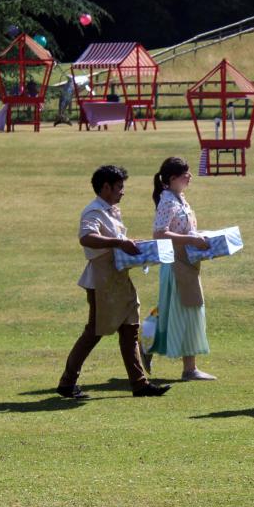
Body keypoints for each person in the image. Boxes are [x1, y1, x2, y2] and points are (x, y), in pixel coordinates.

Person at [58, 165, 171, 399]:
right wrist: (119, 244)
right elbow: (86, 238)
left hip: (119, 279)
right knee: (94, 333)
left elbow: (115, 239)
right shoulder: (93, 211)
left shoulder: (110, 210)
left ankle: (140, 384)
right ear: (106, 187)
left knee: (130, 330)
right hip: (102, 282)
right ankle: (67, 382)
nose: (123, 191)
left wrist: (130, 243)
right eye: (119, 187)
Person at [147, 157, 215, 381]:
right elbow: (159, 233)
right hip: (176, 263)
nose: (190, 177)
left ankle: (146, 343)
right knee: (185, 311)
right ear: (172, 179)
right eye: (185, 174)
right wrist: (191, 240)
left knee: (179, 310)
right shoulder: (168, 201)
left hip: (187, 263)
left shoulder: (179, 199)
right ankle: (188, 368)